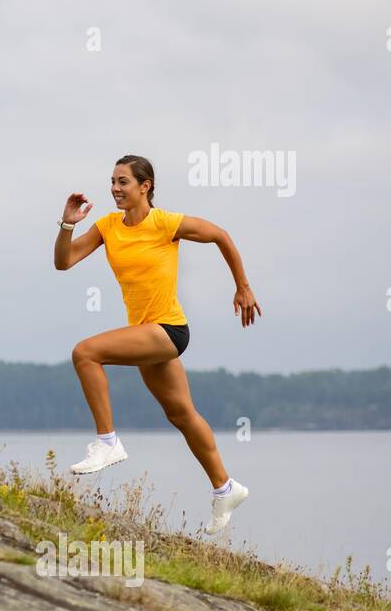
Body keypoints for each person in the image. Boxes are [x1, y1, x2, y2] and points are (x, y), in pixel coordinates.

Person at [53, 154, 261, 534]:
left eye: (123, 182)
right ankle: (225, 488)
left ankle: (107, 442)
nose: (115, 189)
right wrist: (68, 223)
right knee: (181, 414)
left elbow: (220, 235)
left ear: (145, 186)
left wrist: (243, 287)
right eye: (112, 182)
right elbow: (64, 262)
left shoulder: (165, 223)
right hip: (146, 333)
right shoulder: (107, 227)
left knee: (85, 352)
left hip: (167, 330)